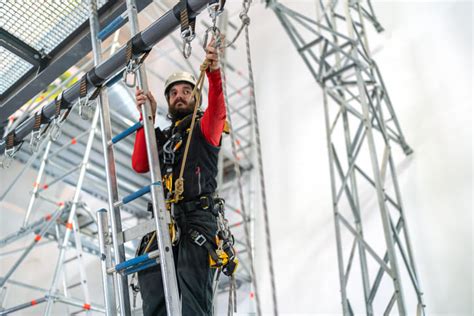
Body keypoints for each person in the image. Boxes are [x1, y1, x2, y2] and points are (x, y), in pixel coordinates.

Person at [131, 38, 226, 316]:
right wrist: (145, 118)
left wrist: (214, 73)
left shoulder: (205, 129)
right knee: (150, 279)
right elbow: (139, 163)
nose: (180, 95)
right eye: (173, 93)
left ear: (196, 98)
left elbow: (218, 110)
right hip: (165, 221)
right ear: (169, 102)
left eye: (186, 91)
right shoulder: (162, 139)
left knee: (193, 296)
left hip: (197, 221)